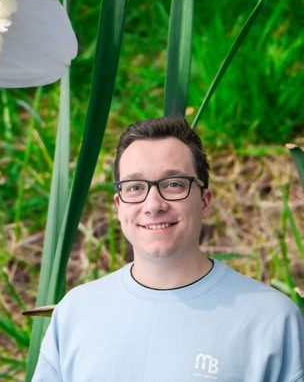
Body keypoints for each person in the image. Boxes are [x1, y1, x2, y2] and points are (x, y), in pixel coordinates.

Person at [34, 116, 304, 382]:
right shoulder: (76, 312)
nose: (153, 204)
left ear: (205, 201)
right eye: (135, 187)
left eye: (173, 184)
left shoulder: (271, 319)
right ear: (119, 206)